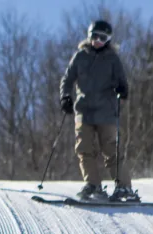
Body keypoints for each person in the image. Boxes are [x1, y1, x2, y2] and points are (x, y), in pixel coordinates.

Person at [60, 20, 139, 203]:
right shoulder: (80, 56)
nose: (97, 40)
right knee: (84, 149)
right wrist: (65, 96)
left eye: (102, 38)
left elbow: (122, 81)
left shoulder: (112, 58)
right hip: (84, 111)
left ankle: (124, 187)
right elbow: (67, 79)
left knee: (111, 150)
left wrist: (122, 89)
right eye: (94, 36)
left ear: (108, 40)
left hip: (106, 111)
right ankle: (93, 185)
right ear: (89, 36)